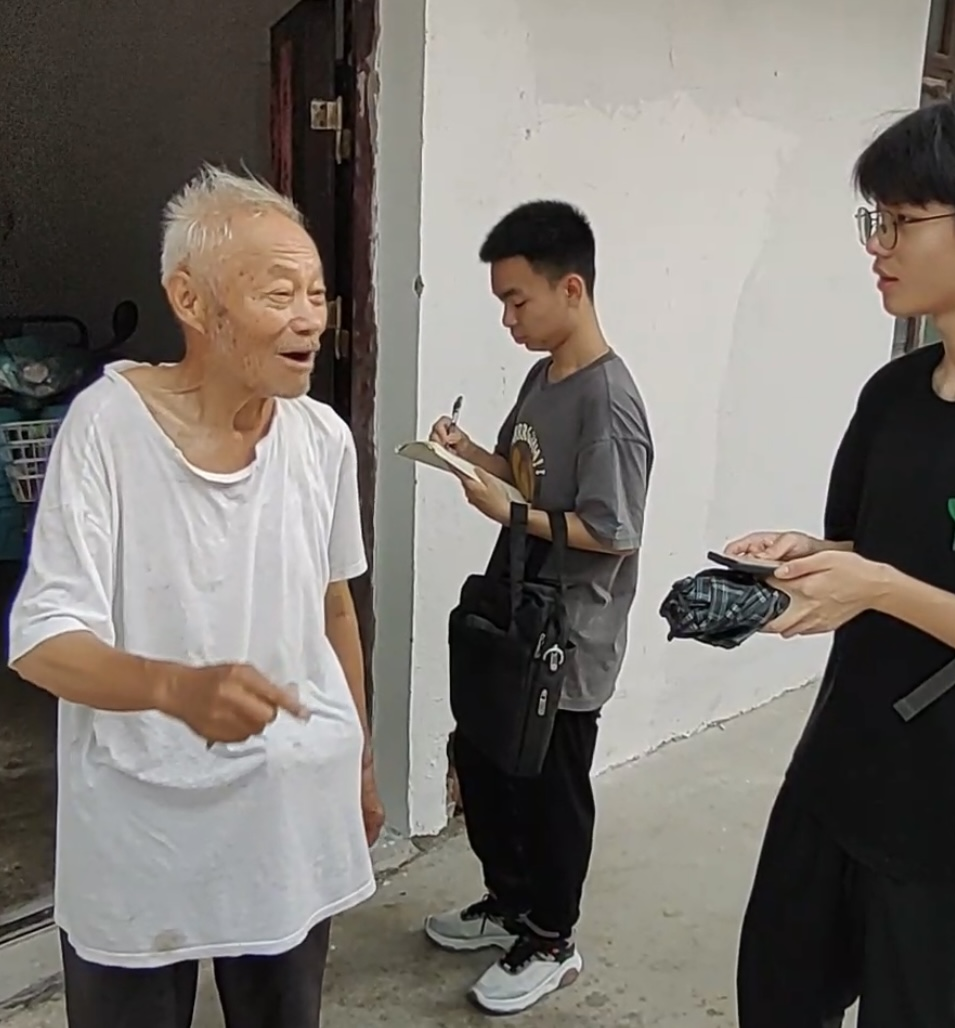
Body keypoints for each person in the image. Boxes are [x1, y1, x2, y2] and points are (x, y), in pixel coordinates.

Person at [8, 166, 384, 1028]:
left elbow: (333, 607)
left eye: (317, 294)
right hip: (140, 831)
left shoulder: (321, 440)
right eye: (279, 293)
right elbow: (43, 639)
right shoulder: (107, 428)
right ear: (191, 299)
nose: (310, 318)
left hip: (286, 811)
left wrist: (358, 763)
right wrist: (175, 688)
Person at [730, 95, 955, 1028]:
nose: (879, 246)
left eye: (901, 221)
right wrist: (814, 557)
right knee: (774, 1001)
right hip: (833, 769)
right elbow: (876, 552)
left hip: (945, 814)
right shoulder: (893, 393)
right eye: (877, 221)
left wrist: (879, 585)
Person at [422, 200, 653, 1014]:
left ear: (572, 289)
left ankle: (553, 938)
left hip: (570, 637)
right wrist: (466, 456)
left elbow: (613, 532)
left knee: (553, 787)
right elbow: (522, 476)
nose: (508, 319)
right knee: (485, 758)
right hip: (517, 615)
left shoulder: (609, 403)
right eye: (502, 302)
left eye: (517, 300)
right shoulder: (543, 376)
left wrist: (512, 514)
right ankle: (510, 904)